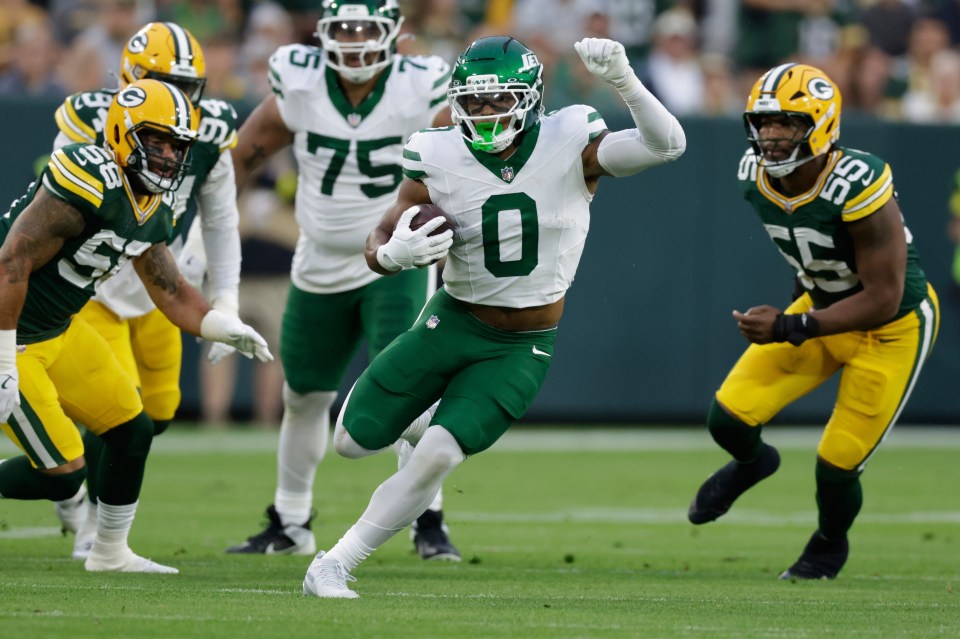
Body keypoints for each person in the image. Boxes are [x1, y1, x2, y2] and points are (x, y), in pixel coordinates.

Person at [301, 34, 687, 598]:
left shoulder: (570, 138)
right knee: (351, 442)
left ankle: (335, 563)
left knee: (435, 454)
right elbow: (385, 230)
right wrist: (390, 255)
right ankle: (434, 411)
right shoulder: (437, 153)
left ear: (530, 98)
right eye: (474, 101)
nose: (484, 113)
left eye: (499, 99)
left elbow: (667, 145)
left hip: (522, 343)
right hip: (452, 319)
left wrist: (624, 80)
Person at [219, 0, 460, 560]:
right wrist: (205, 240)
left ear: (394, 34)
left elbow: (461, 162)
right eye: (344, 29)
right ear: (323, 34)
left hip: (394, 258)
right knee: (302, 394)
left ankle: (429, 519)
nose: (353, 40)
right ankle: (292, 521)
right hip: (318, 259)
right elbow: (239, 159)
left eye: (365, 29)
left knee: (412, 396)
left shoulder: (420, 87)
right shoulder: (299, 86)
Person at [0, 78, 271, 573]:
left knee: (132, 428)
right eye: (157, 141)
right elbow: (11, 262)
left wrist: (217, 323)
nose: (169, 156)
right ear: (124, 135)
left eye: (177, 145)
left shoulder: (150, 203)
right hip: (9, 331)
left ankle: (109, 552)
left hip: (57, 329)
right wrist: (1, 357)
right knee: (63, 475)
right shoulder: (89, 177)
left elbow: (168, 288)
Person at [687, 63, 939, 580]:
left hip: (891, 328)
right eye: (765, 123)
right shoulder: (753, 175)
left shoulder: (857, 183)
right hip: (821, 307)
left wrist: (790, 327)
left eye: (788, 123)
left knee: (837, 464)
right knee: (729, 417)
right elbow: (808, 258)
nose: (772, 136)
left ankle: (829, 544)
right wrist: (797, 311)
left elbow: (884, 298)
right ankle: (754, 463)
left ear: (821, 125)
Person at [48, 22, 244, 561]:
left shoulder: (208, 134)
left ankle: (80, 492)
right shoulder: (89, 125)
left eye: (188, 86)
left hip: (159, 287)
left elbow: (222, 221)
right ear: (130, 80)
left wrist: (224, 302)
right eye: (163, 83)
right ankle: (91, 519)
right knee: (122, 417)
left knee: (159, 412)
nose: (178, 101)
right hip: (91, 288)